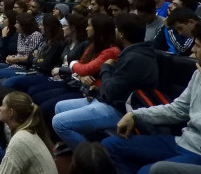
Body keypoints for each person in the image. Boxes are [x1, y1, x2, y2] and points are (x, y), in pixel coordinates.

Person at [102, 20, 201, 174]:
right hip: (183, 141)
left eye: (197, 45)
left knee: (148, 171)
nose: (193, 50)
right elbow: (179, 109)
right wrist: (135, 115)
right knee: (109, 146)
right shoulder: (200, 72)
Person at [52, 14, 159, 150]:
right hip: (109, 100)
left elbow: (111, 91)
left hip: (119, 109)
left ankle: (90, 157)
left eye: (115, 28)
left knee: (59, 123)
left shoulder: (135, 58)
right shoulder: (130, 53)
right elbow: (113, 85)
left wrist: (106, 68)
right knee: (59, 106)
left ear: (121, 34)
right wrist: (96, 89)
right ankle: (84, 143)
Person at [0, 91, 57, 174]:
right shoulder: (29, 132)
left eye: (3, 105)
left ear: (11, 112)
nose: (0, 108)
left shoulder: (20, 140)